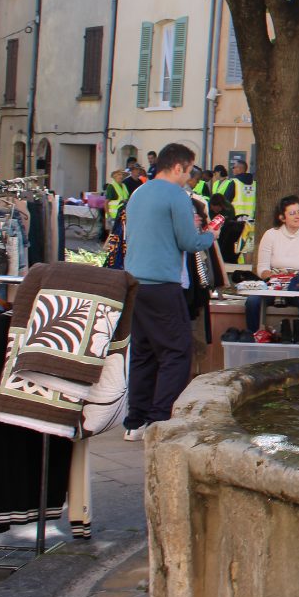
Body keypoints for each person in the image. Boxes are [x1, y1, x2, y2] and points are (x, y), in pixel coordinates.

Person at [122, 142, 217, 440]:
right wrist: (210, 235)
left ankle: (135, 421)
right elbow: (189, 242)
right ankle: (159, 419)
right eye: (189, 171)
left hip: (134, 282)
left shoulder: (138, 193)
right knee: (177, 351)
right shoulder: (177, 196)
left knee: (143, 352)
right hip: (163, 283)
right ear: (178, 167)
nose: (190, 178)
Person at [245, 195, 299, 353]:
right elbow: (262, 268)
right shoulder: (270, 235)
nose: (298, 216)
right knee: (252, 302)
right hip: (273, 284)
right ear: (282, 217)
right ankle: (251, 344)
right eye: (292, 213)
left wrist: (294, 282)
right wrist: (275, 280)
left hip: (298, 285)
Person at [207, 193, 244, 264]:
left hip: (225, 234)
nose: (216, 210)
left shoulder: (229, 208)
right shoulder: (206, 208)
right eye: (214, 208)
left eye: (218, 209)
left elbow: (231, 224)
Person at [104, 167, 130, 239]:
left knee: (117, 236)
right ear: (114, 176)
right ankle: (107, 249)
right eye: (119, 174)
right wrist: (109, 216)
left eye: (122, 175)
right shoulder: (111, 187)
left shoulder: (124, 186)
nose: (121, 176)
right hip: (113, 216)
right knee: (112, 234)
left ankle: (109, 249)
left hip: (122, 215)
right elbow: (106, 202)